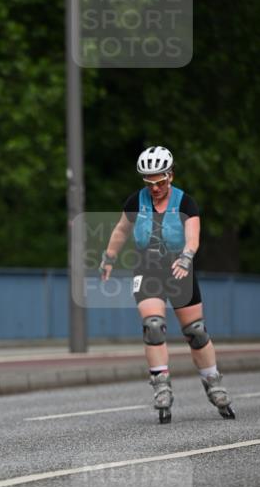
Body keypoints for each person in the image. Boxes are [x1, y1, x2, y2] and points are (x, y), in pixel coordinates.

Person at [99, 145, 235, 423]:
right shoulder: (136, 201)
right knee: (153, 326)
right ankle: (161, 386)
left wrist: (186, 257)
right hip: (147, 268)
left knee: (195, 332)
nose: (155, 188)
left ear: (170, 175)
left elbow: (193, 236)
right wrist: (108, 258)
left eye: (160, 182)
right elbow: (121, 230)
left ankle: (213, 384)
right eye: (149, 182)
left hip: (178, 268)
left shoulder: (186, 202)